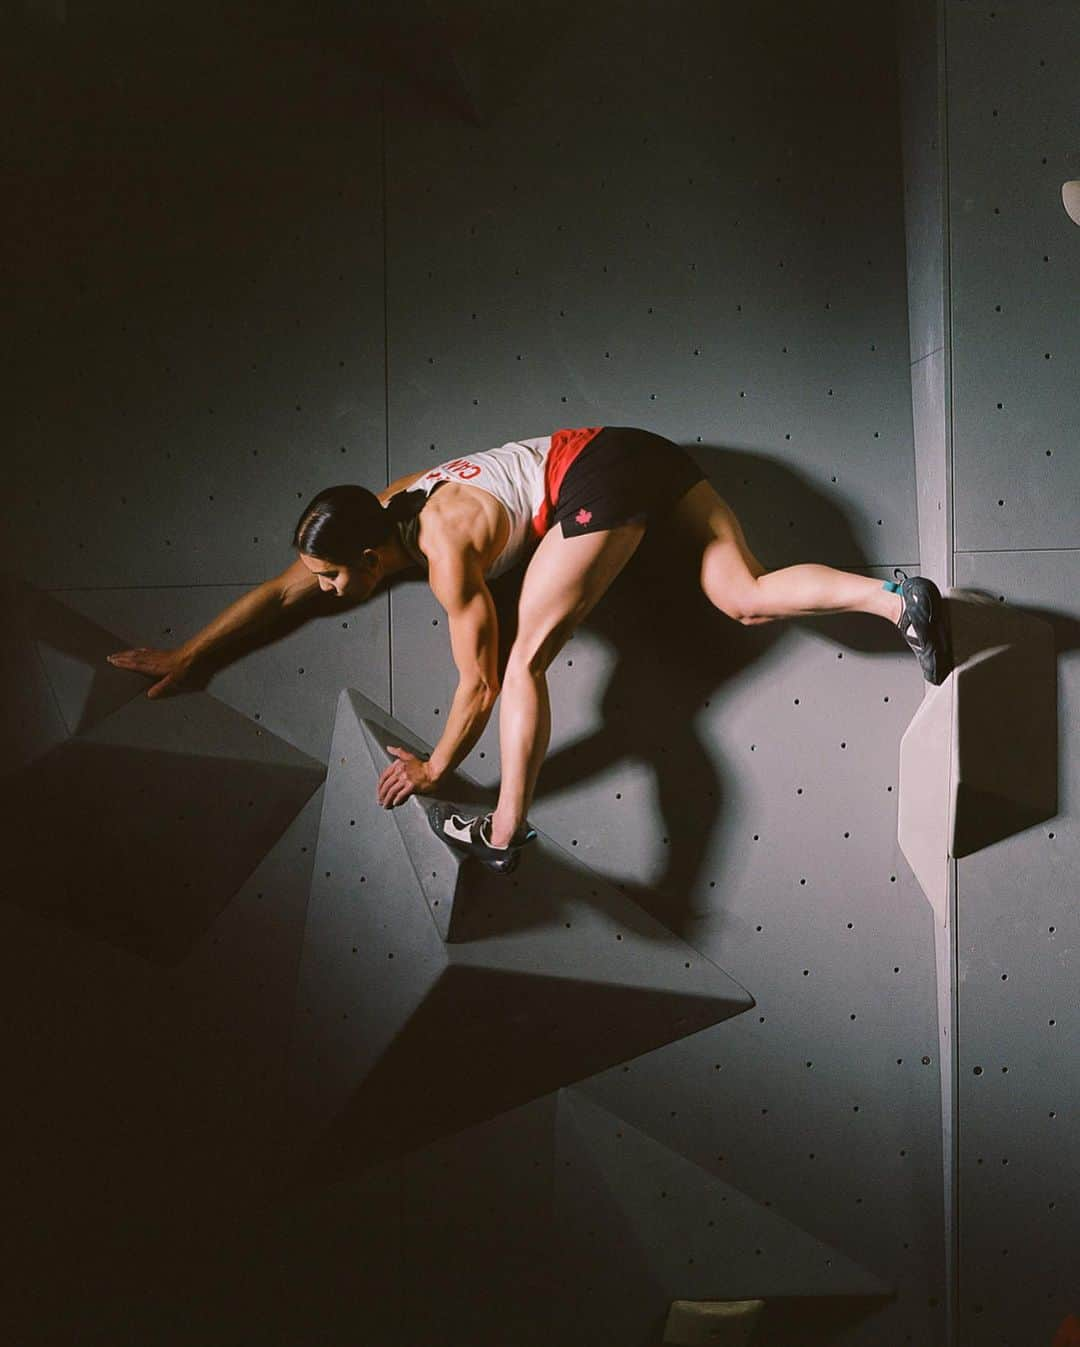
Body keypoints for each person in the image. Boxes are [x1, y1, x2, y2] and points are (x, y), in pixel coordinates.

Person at [108, 425, 951, 874]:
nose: (323, 591)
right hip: (642, 449)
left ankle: (505, 831)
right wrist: (193, 653)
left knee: (524, 665)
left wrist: (437, 770)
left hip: (594, 481)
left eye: (335, 578)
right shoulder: (381, 505)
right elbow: (280, 588)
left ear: (371, 560)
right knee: (744, 595)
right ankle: (897, 599)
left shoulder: (448, 552)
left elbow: (477, 685)